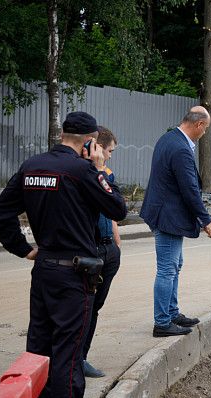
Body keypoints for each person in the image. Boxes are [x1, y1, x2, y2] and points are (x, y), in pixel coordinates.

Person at [0, 111, 126, 398]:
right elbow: (118, 208)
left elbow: (1, 213)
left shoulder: (33, 165)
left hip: (44, 271)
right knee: (68, 358)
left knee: (37, 353)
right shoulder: (83, 171)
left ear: (63, 133)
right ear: (90, 141)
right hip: (74, 277)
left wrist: (25, 250)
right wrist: (99, 170)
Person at [140, 106, 211, 337]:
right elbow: (190, 191)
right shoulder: (181, 149)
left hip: (163, 214)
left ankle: (172, 313)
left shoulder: (168, 138)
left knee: (175, 265)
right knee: (167, 269)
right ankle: (163, 323)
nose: (205, 133)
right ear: (199, 125)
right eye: (206, 129)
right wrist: (206, 221)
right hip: (167, 218)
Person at [83, 125, 121, 378]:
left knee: (95, 307)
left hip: (108, 249)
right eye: (109, 151)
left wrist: (117, 244)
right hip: (91, 249)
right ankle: (78, 358)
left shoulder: (107, 175)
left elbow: (114, 213)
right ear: (95, 148)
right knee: (84, 308)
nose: (109, 156)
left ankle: (81, 356)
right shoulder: (83, 175)